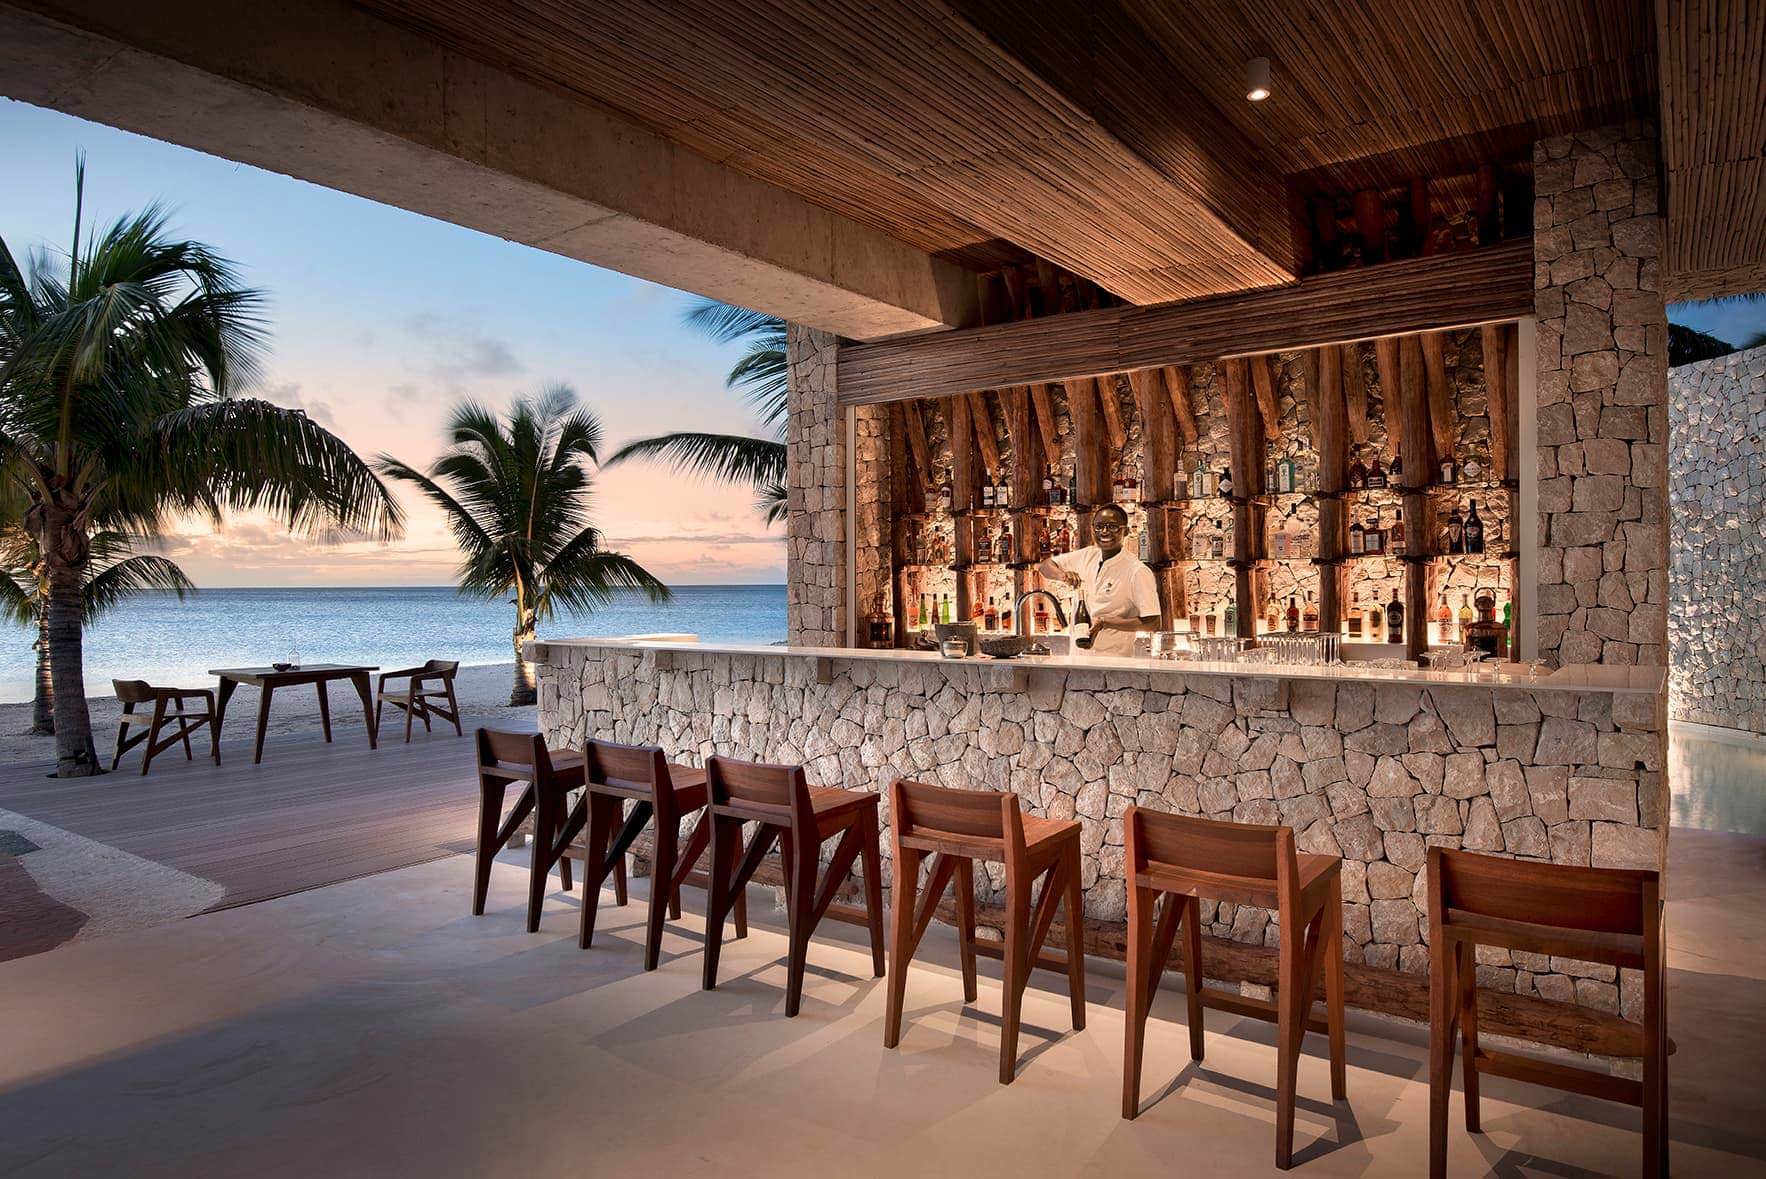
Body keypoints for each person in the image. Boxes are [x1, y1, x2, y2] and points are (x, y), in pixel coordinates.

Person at [1037, 503, 1160, 657]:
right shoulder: (1087, 556)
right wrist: (1062, 575)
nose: (1104, 531)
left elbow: (1153, 623)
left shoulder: (1137, 571)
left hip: (1114, 663)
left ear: (1126, 531)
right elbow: (1044, 566)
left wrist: (1106, 622)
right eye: (1099, 526)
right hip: (1078, 660)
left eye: (1112, 527)